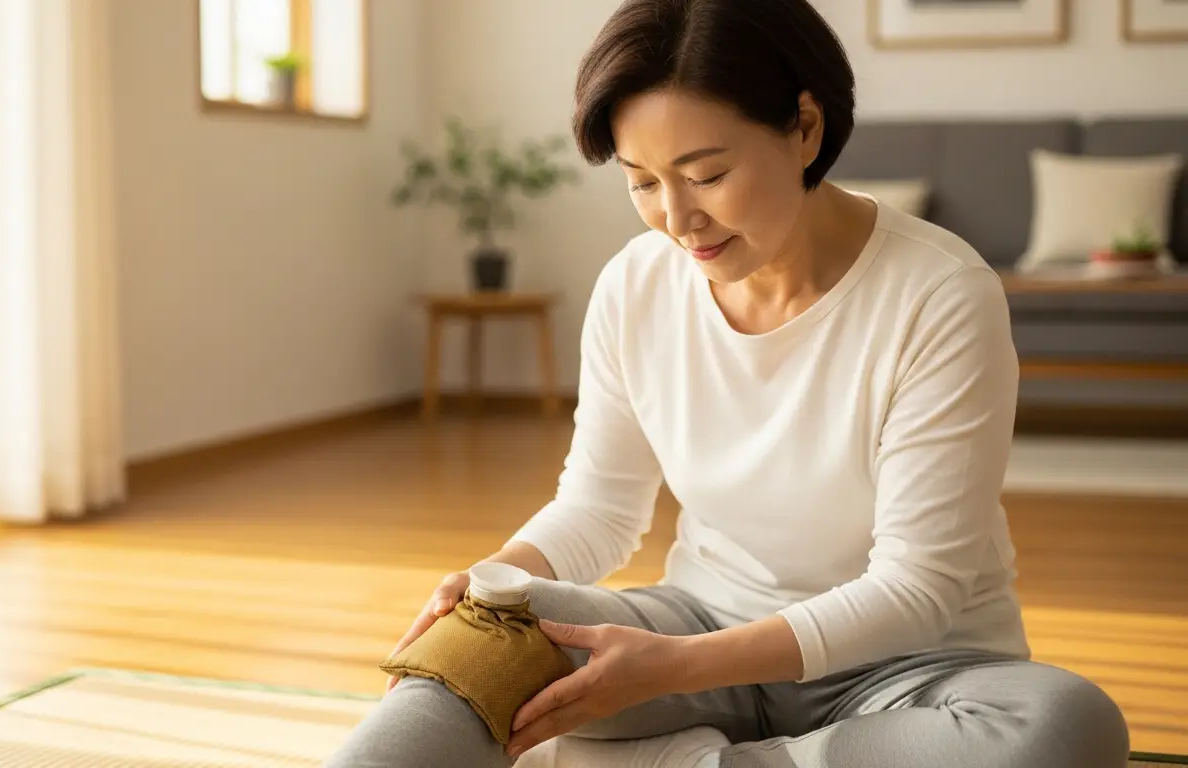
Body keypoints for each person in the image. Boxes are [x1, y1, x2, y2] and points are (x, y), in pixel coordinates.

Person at [326, 0, 1131, 765]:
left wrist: (673, 668)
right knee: (483, 639)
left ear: (805, 128)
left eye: (706, 175)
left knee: (1062, 726)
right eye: (643, 182)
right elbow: (600, 508)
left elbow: (916, 589)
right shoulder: (635, 285)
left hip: (906, 672)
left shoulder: (941, 293)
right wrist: (492, 582)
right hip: (699, 623)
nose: (677, 221)